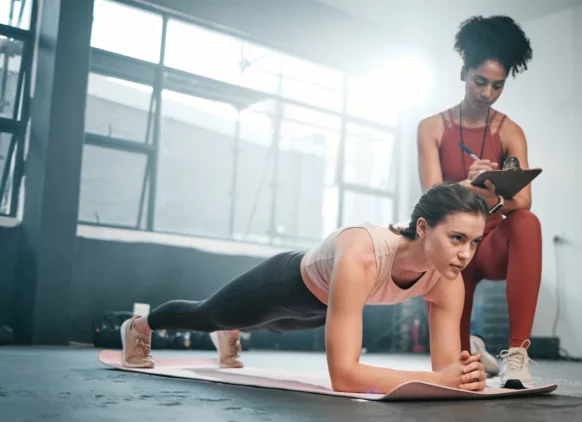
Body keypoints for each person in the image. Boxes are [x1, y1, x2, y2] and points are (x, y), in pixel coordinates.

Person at [120, 182, 492, 394]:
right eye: (457, 238)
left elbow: (447, 375)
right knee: (207, 315)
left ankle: (233, 331)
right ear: (424, 228)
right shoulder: (364, 252)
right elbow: (344, 377)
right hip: (283, 285)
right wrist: (435, 379)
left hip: (320, 311)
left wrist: (462, 376)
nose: (465, 254)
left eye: (474, 242)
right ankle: (140, 326)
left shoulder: (447, 281)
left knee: (262, 325)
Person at [416, 15, 542, 386]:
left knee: (527, 224)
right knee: (456, 367)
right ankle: (469, 347)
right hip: (454, 245)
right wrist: (467, 190)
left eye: (497, 86)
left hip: (491, 243)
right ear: (463, 73)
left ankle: (517, 355)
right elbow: (431, 197)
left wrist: (493, 201)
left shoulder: (510, 131)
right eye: (480, 81)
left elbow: (525, 200)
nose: (487, 93)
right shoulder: (431, 128)